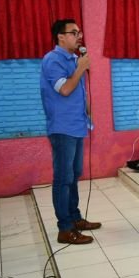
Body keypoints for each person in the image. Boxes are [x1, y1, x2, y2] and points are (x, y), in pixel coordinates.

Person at [39, 19, 100, 245]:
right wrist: (81, 68)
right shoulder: (52, 60)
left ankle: (75, 219)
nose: (79, 36)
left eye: (79, 32)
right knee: (63, 178)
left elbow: (78, 91)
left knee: (74, 175)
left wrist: (87, 111)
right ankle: (64, 228)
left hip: (77, 125)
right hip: (62, 128)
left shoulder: (74, 59)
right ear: (60, 37)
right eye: (73, 33)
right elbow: (64, 89)